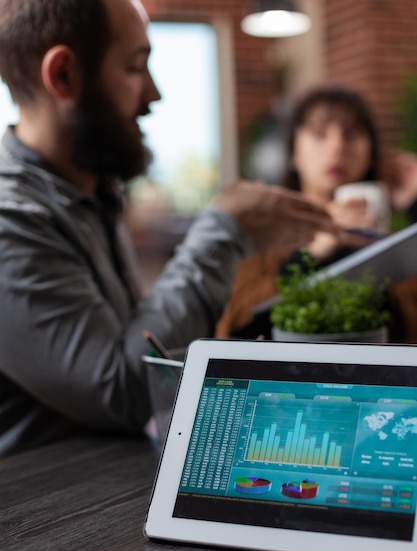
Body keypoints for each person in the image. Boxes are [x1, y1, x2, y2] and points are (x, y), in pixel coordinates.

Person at [0, 0, 338, 455]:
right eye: (135, 67)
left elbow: (133, 344)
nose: (153, 93)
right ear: (63, 75)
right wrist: (224, 232)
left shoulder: (92, 192)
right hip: (48, 516)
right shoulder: (11, 218)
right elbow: (127, 391)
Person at [216, 84, 383, 338]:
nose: (337, 147)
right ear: (293, 151)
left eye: (350, 135)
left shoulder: (385, 228)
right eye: (319, 134)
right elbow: (233, 329)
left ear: (371, 153)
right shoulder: (262, 232)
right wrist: (310, 252)